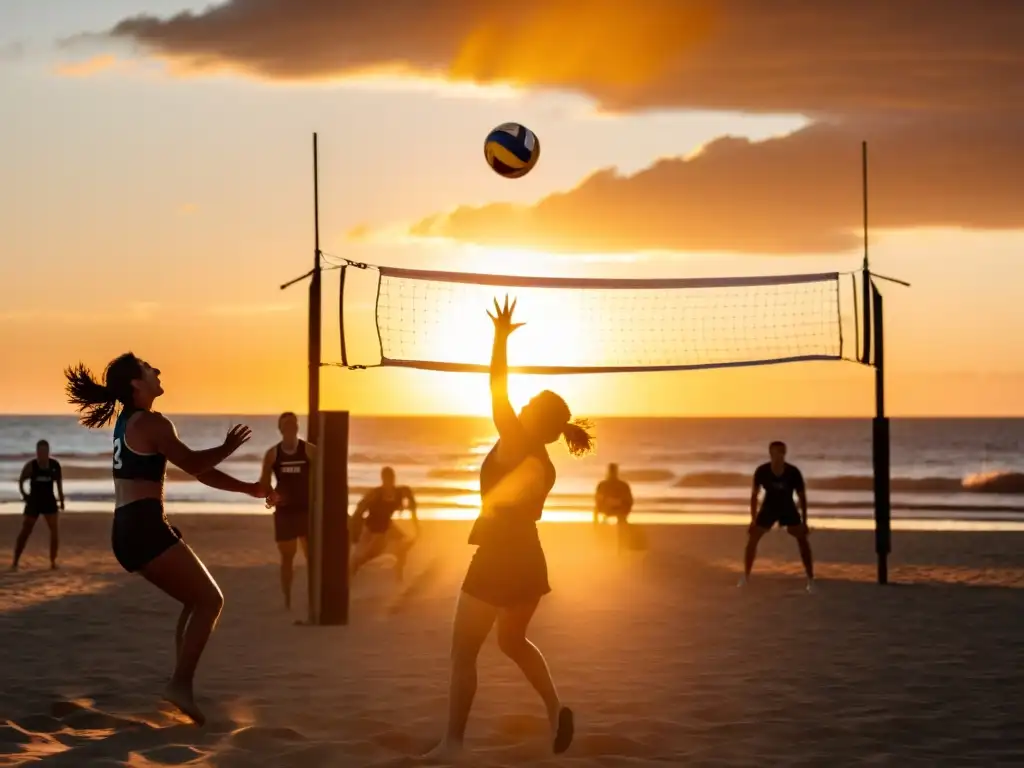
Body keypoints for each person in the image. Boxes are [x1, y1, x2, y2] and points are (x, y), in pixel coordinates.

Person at [424, 296, 594, 762]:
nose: (524, 402)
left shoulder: (517, 440)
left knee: (463, 654)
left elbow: (496, 388)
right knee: (512, 641)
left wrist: (499, 339)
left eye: (532, 401)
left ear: (534, 418)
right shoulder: (545, 459)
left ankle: (452, 746)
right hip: (529, 560)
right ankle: (556, 709)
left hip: (498, 557)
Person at [64, 353, 268, 725]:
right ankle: (180, 684)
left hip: (128, 528)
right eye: (148, 368)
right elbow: (194, 465)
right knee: (210, 600)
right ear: (136, 384)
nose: (157, 370)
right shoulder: (153, 423)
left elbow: (202, 475)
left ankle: (179, 683)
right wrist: (228, 447)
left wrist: (249, 489)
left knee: (195, 601)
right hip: (143, 527)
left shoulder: (129, 421)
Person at [739, 440, 815, 592]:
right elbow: (754, 496)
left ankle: (810, 578)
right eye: (776, 452)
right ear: (770, 453)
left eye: (782, 452)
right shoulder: (762, 471)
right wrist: (753, 520)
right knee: (753, 538)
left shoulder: (793, 472)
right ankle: (745, 576)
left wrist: (804, 521)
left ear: (785, 453)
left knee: (801, 538)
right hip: (769, 508)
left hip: (787, 507)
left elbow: (802, 497)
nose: (779, 455)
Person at [259, 412, 314, 610]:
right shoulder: (273, 454)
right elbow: (264, 484)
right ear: (280, 429)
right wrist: (272, 495)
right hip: (285, 513)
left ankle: (313, 600)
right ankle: (288, 600)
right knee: (287, 557)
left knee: (312, 558)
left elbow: (324, 477)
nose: (290, 428)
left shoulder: (309, 451)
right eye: (286, 426)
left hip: (307, 511)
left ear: (297, 428)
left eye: (293, 425)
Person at [349, 466, 419, 582]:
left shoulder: (400, 492)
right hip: (372, 527)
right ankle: (351, 573)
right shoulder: (376, 494)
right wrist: (354, 526)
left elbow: (412, 503)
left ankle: (399, 577)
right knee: (368, 555)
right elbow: (360, 507)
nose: (389, 482)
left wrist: (416, 524)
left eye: (391, 478)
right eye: (387, 479)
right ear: (382, 479)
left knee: (402, 545)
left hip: (387, 525)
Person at [11, 440, 65, 570]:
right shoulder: (31, 466)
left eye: (45, 452)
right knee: (26, 531)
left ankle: (53, 562)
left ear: (48, 452)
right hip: (34, 501)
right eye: (40, 452)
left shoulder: (54, 465)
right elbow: (21, 480)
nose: (42, 454)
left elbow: (59, 484)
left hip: (49, 501)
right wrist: (24, 494)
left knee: (54, 531)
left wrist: (61, 500)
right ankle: (15, 561)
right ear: (37, 452)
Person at [593, 463, 633, 551]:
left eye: (613, 472)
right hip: (606, 508)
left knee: (621, 519)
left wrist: (619, 504)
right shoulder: (603, 484)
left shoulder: (622, 485)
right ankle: (596, 530)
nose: (612, 473)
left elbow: (629, 500)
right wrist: (606, 502)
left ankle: (621, 544)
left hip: (619, 509)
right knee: (595, 510)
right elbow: (597, 499)